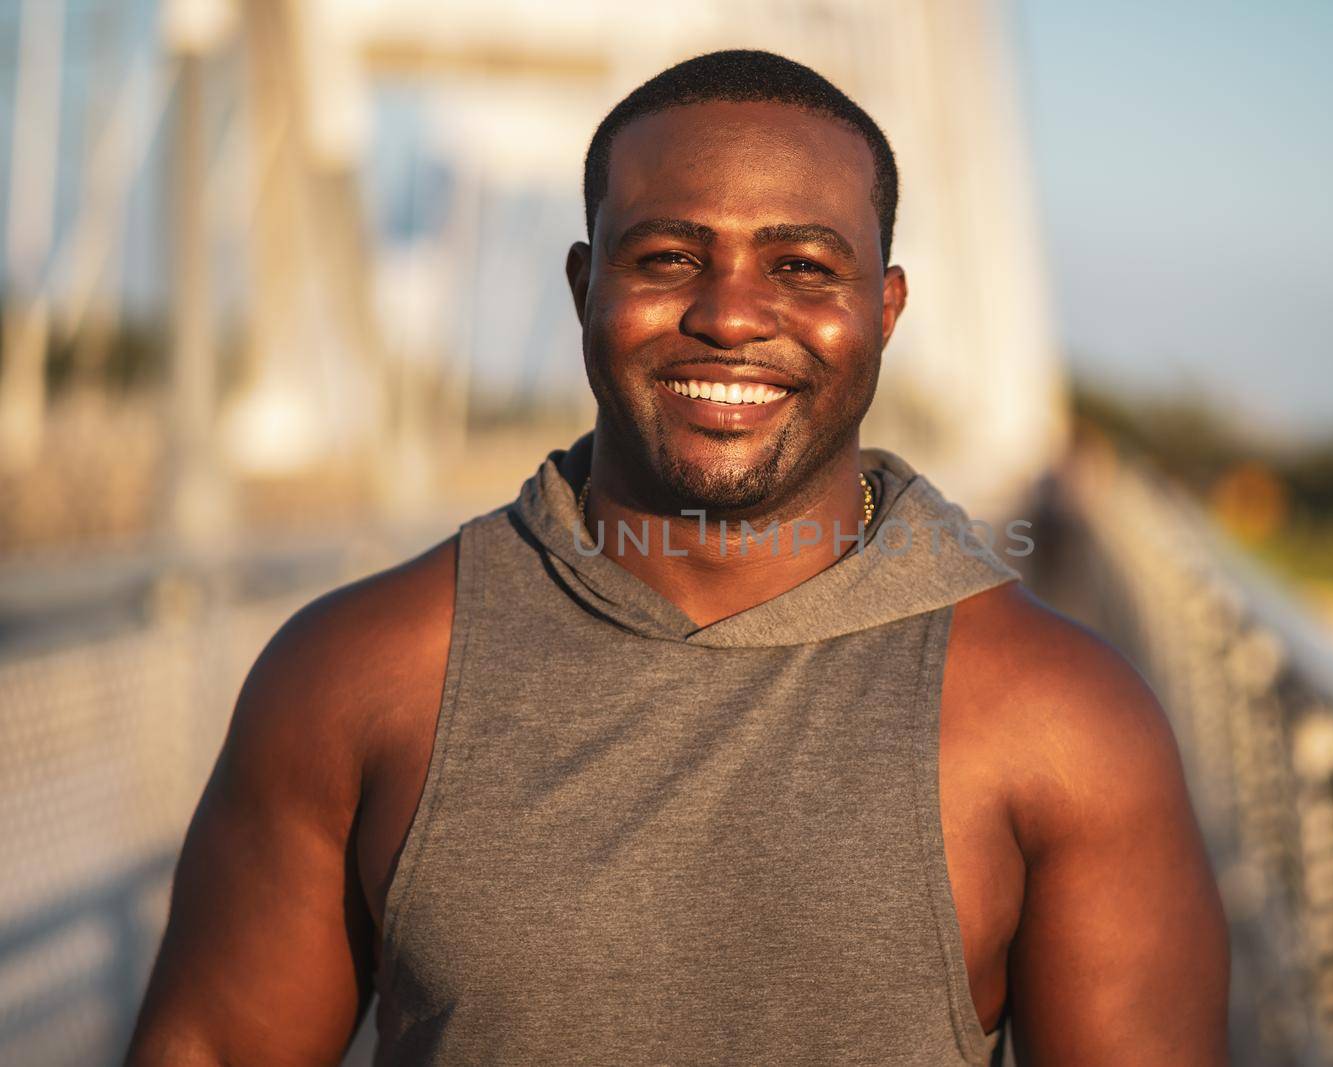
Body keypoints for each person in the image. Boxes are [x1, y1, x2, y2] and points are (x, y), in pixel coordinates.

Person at [128, 49, 1228, 1066]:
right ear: (582, 288)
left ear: (884, 309)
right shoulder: (359, 673)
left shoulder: (1063, 718)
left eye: (801, 265)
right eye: (668, 256)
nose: (731, 314)